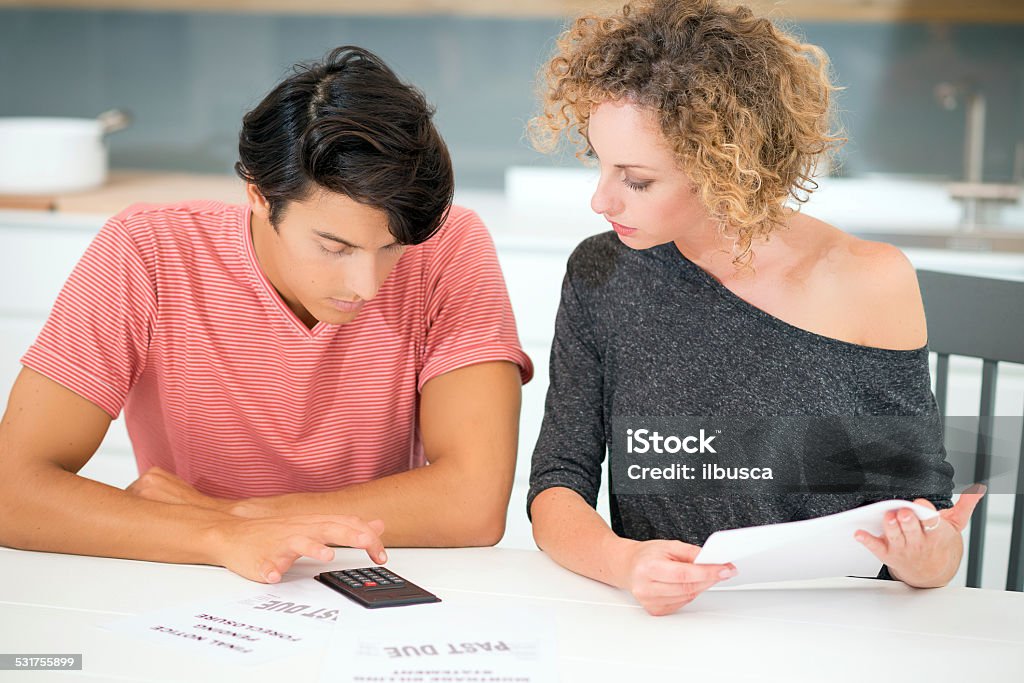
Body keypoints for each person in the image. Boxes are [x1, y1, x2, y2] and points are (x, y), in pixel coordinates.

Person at [0, 46, 532, 584]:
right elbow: (13, 491)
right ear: (258, 194)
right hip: (195, 569)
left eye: (392, 248)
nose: (367, 285)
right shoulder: (148, 251)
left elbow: (474, 502)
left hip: (371, 573)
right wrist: (219, 536)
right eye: (334, 246)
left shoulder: (449, 245)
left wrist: (234, 514)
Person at [526, 0, 983, 616]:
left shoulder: (870, 281)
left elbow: (929, 533)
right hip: (672, 631)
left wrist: (925, 558)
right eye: (598, 162)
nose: (601, 199)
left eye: (635, 180)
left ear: (725, 170)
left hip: (835, 632)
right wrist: (625, 563)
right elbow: (558, 485)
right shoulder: (602, 273)